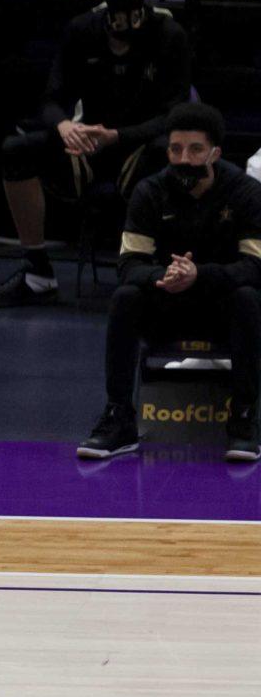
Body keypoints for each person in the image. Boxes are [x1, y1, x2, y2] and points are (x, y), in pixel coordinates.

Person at [0, 0, 193, 309]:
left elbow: (176, 113)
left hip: (139, 145)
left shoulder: (169, 34)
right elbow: (51, 99)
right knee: (16, 150)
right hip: (87, 148)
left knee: (168, 151)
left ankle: (156, 274)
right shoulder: (81, 29)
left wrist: (119, 136)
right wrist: (64, 125)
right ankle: (37, 274)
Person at [79, 103, 261, 463]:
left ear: (215, 153)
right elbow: (129, 264)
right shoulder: (149, 192)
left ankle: (243, 420)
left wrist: (201, 275)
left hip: (220, 309)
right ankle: (119, 418)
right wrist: (164, 275)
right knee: (126, 296)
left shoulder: (245, 193)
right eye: (176, 149)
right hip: (168, 303)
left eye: (195, 150)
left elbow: (255, 266)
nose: (183, 159)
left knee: (248, 297)